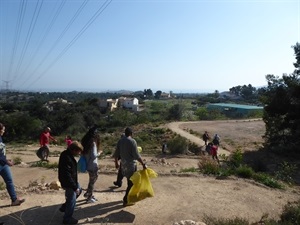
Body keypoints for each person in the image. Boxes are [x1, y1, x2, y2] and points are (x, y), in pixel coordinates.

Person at [114, 127, 147, 207]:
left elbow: (116, 153)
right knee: (131, 183)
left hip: (123, 165)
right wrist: (143, 164)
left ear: (125, 133)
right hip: (131, 166)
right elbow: (136, 155)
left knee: (128, 182)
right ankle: (126, 200)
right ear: (131, 133)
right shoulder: (132, 141)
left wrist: (116, 163)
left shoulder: (120, 141)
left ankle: (129, 198)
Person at [58, 141, 83, 225]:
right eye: (78, 151)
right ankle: (67, 219)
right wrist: (74, 187)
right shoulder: (67, 157)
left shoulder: (67, 154)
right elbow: (67, 175)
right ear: (74, 150)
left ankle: (65, 207)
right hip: (68, 183)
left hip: (71, 181)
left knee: (80, 190)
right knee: (72, 200)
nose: (79, 153)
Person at [0, 123, 25, 206]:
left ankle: (14, 200)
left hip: (3, 164)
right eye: (3, 129)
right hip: (3, 163)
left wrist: (5, 160)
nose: (4, 131)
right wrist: (7, 162)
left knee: (9, 181)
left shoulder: (0, 138)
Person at [81, 126, 101, 203]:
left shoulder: (85, 142)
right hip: (93, 165)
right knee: (92, 181)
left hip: (87, 164)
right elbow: (93, 156)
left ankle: (88, 193)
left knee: (92, 180)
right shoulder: (93, 143)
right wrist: (99, 153)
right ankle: (89, 197)